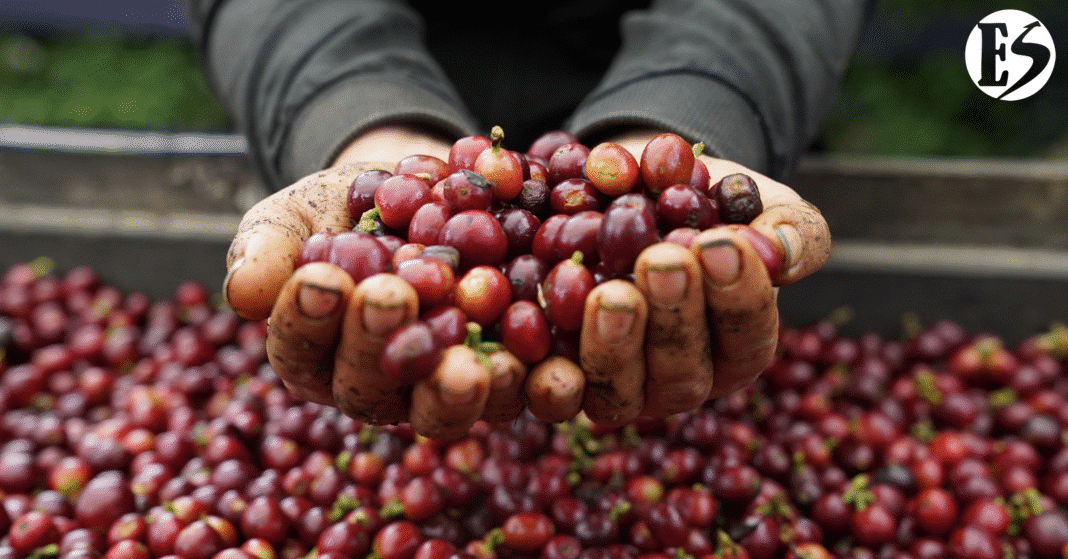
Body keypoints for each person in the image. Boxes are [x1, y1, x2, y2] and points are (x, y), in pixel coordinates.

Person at [179, 0, 870, 439]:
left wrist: (702, 105)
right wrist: (352, 115)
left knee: (690, 316)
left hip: (695, 81)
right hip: (390, 84)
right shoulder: (451, 214)